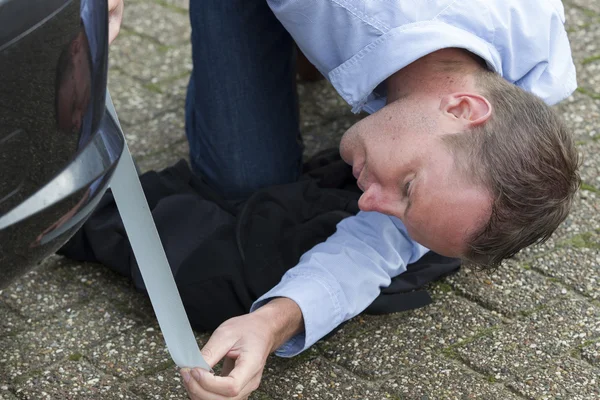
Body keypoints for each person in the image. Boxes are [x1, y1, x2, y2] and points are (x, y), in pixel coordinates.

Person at [107, 0, 580, 398]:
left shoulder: (528, 90)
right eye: (408, 187)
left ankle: (314, 52)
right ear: (462, 108)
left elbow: (380, 243)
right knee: (244, 183)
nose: (368, 203)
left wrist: (271, 323)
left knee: (266, 203)